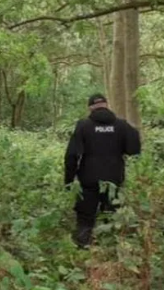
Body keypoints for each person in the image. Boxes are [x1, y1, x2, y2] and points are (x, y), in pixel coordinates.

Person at [64, 94, 141, 248]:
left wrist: (69, 180)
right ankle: (110, 251)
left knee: (85, 218)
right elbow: (134, 150)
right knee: (112, 216)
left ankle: (84, 248)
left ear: (91, 107)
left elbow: (71, 156)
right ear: (106, 105)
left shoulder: (83, 125)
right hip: (114, 178)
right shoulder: (122, 125)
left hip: (88, 179)